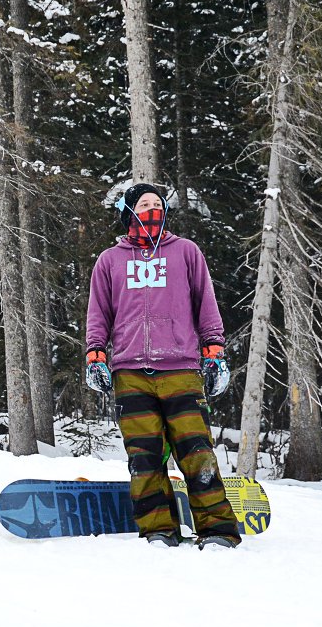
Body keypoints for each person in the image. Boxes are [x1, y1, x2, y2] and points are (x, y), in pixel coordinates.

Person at [84, 182, 239, 549]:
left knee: (196, 452)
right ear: (128, 211)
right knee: (144, 458)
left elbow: (206, 304)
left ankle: (217, 530)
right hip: (130, 373)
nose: (153, 209)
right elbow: (98, 314)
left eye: (158, 204)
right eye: (145, 204)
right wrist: (95, 356)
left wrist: (214, 351)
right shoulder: (110, 260)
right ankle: (159, 530)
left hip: (181, 369)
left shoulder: (185, 252)